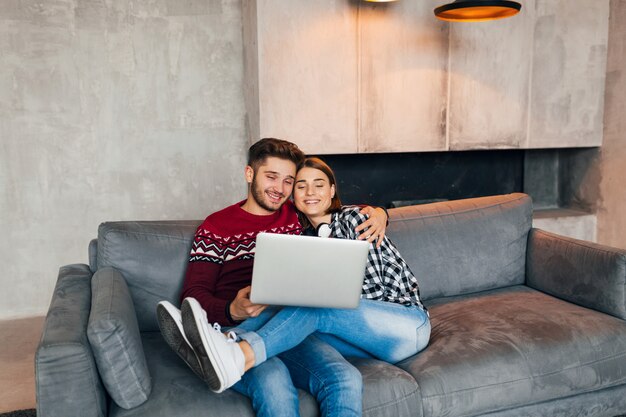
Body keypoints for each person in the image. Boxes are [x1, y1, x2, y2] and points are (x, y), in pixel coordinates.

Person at [157, 139, 389, 417]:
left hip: (292, 325)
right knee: (274, 384)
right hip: (240, 326)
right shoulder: (216, 227)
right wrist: (232, 309)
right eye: (271, 177)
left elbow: (339, 209)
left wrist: (379, 213)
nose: (280, 189)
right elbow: (193, 296)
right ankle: (216, 347)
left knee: (344, 378)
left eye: (289, 181)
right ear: (249, 174)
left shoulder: (297, 216)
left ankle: (208, 349)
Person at [179, 156, 431, 394]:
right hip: (363, 341)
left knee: (317, 306)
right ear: (293, 195)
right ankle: (213, 341)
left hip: (405, 324)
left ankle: (236, 353)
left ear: (332, 191)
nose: (310, 192)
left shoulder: (357, 218)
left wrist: (381, 212)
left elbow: (378, 290)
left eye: (319, 185)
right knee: (289, 318)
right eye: (301, 186)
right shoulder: (300, 238)